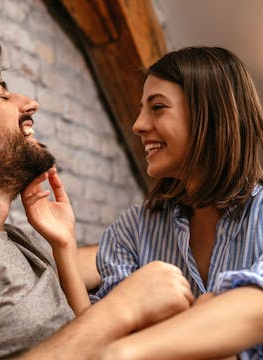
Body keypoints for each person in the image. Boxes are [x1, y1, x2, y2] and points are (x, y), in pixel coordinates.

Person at [0, 37, 194, 360]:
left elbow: (123, 257)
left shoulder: (21, 243)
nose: (29, 104)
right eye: (1, 96)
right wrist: (119, 310)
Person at [91, 47, 263, 359]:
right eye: (142, 109)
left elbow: (256, 310)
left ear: (209, 115)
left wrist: (128, 350)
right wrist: (62, 245)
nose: (138, 125)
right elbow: (103, 328)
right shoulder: (131, 228)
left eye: (157, 107)